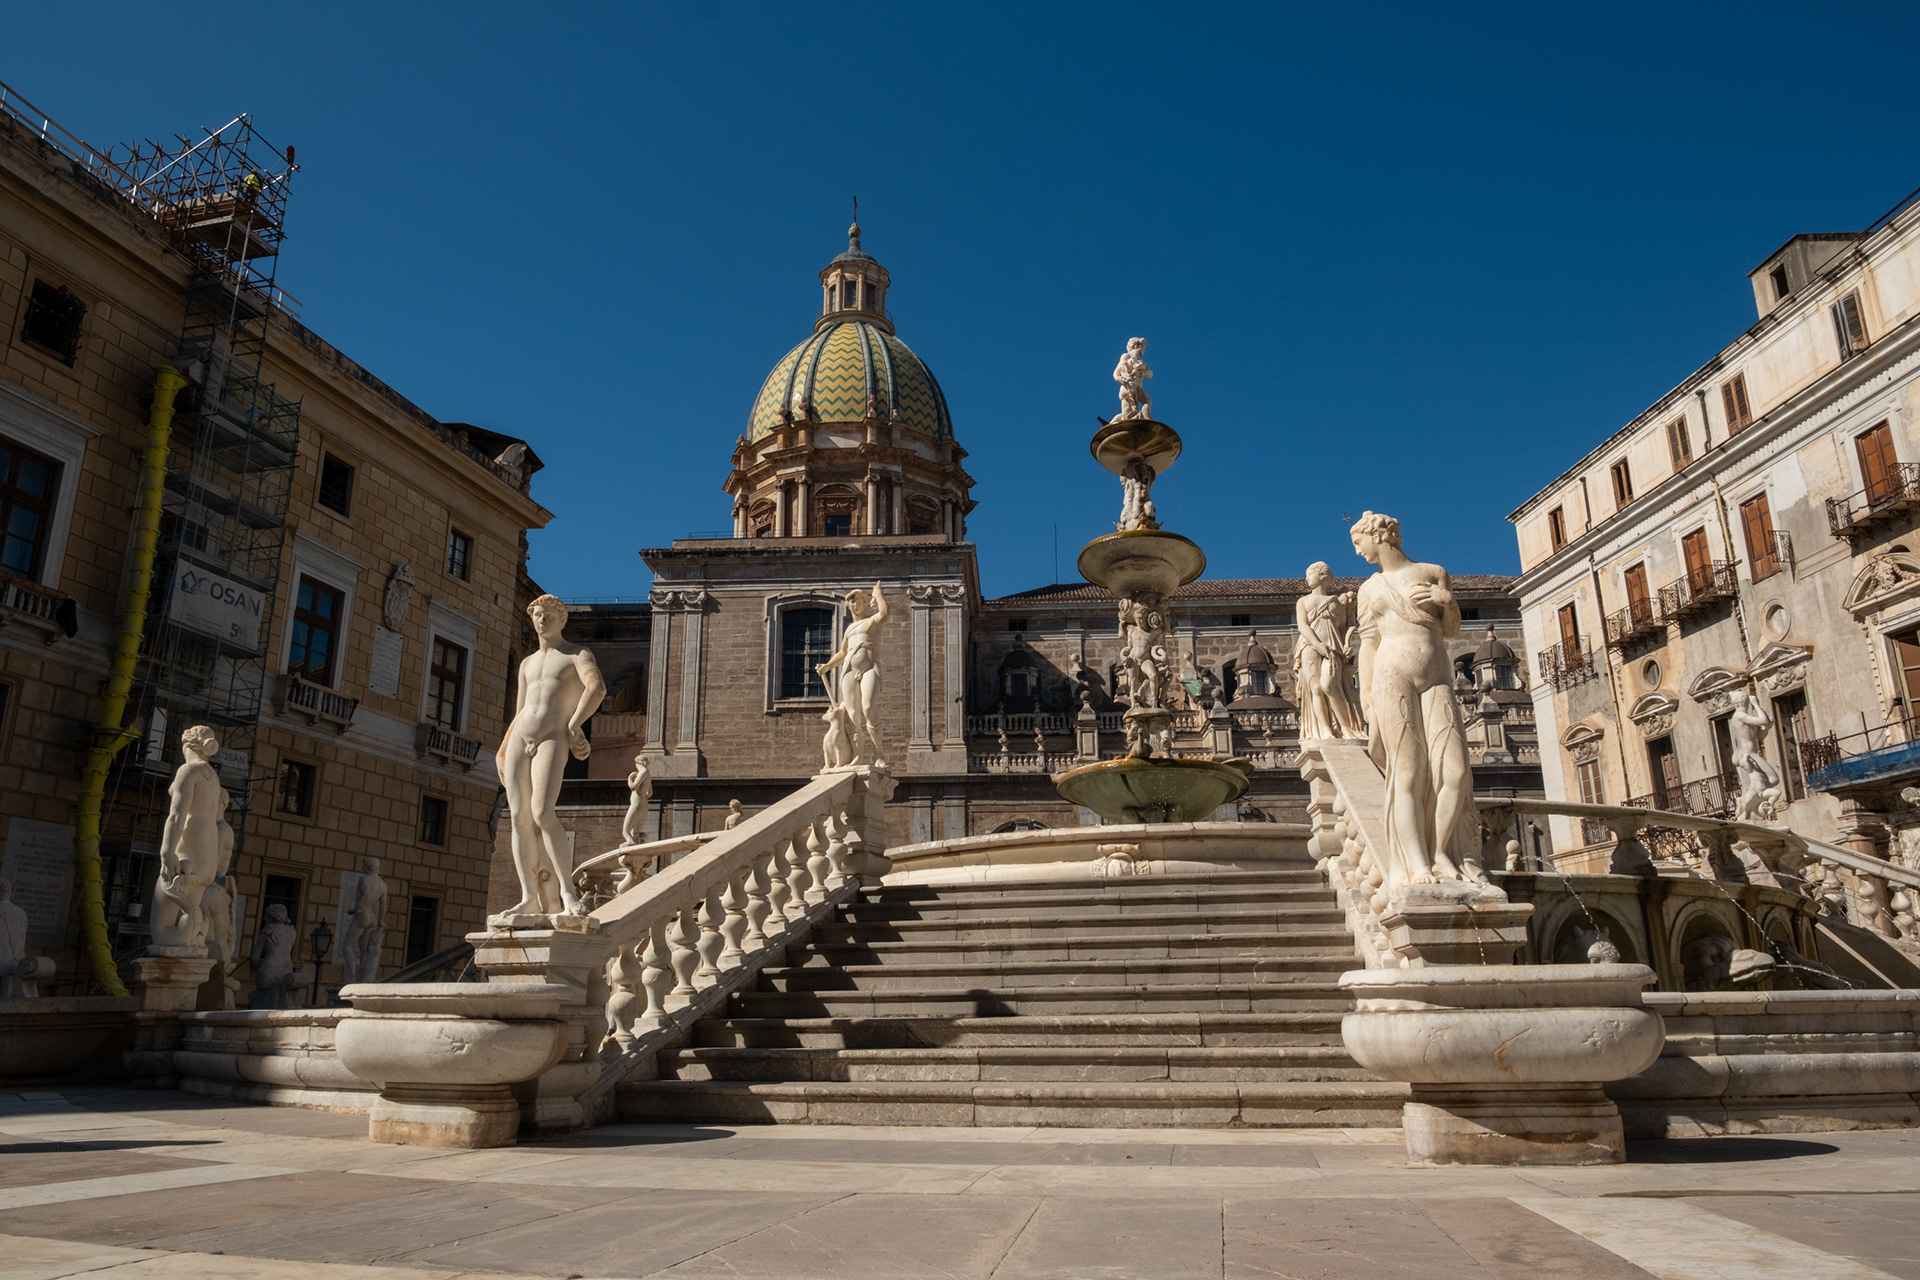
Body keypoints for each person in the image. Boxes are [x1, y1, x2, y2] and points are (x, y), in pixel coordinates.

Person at [1350, 512, 1482, 890]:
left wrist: (1447, 600)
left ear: (1379, 535)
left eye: (1359, 542)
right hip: (1392, 674)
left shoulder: (1433, 572)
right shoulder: (1369, 589)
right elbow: (1369, 644)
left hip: (1437, 673)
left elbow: (1452, 630)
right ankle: (1416, 864)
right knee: (1407, 772)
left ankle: (1442, 851)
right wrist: (1367, 698)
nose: (1358, 551)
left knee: (1455, 771)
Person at [496, 595, 607, 921]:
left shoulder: (576, 655)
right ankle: (529, 898)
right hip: (520, 738)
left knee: (543, 812)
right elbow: (518, 712)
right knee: (518, 818)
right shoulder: (527, 664)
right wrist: (503, 749)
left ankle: (567, 892)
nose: (541, 621)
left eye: (548, 615)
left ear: (562, 619)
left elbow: (596, 688)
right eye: (537, 615)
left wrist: (575, 726)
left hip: (552, 737)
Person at [151, 725, 228, 951]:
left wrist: (166, 852)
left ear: (187, 746)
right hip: (206, 853)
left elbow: (176, 815)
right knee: (190, 920)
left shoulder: (189, 770)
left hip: (188, 846)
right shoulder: (212, 776)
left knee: (160, 930)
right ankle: (196, 935)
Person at [815, 581, 890, 767]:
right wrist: (827, 666)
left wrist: (878, 594)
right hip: (849, 669)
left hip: (870, 667)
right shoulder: (849, 629)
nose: (856, 604)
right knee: (853, 715)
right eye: (853, 601)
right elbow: (843, 652)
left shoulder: (871, 622)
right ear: (849, 605)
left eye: (860, 601)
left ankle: (879, 752)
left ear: (866, 603)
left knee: (868, 708)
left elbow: (885, 613)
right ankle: (858, 756)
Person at [1294, 562, 1365, 740]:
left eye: (1310, 574)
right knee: (1316, 688)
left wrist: (1347, 643)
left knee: (1330, 685)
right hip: (1309, 646)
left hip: (1333, 647)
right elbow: (1303, 626)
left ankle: (1345, 727)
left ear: (1323, 576)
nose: (1306, 578)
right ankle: (1325, 730)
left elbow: (1347, 626)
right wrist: (1318, 645)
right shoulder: (1303, 601)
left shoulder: (1336, 603)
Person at [1113, 337, 1152, 421]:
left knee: (1125, 413)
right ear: (1139, 346)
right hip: (1133, 388)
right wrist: (1117, 377)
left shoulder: (1136, 361)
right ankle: (1148, 419)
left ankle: (1112, 423)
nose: (1144, 351)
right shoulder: (1128, 357)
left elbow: (1116, 372)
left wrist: (1117, 377)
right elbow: (1150, 375)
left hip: (1125, 388)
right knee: (1147, 401)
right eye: (1144, 348)